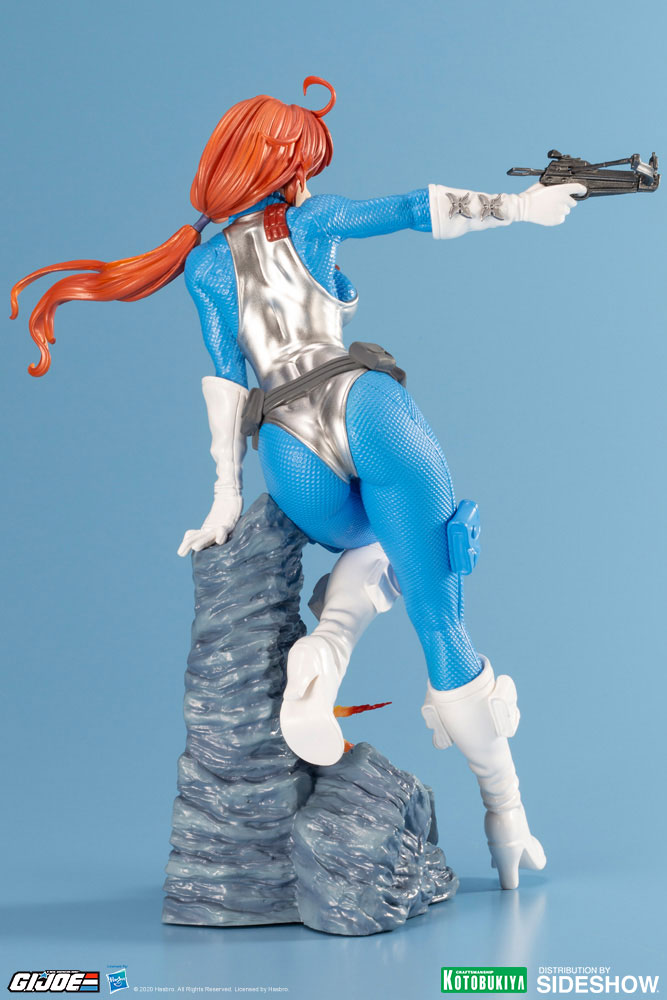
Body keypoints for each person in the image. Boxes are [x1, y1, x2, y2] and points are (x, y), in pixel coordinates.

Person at [11, 77, 584, 890]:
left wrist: (222, 499)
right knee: (438, 612)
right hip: (363, 403)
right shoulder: (314, 220)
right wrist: (520, 207)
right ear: (286, 167)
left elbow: (225, 384)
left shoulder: (204, 265)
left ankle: (326, 648)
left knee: (366, 544)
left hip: (287, 443)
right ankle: (507, 815)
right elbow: (412, 208)